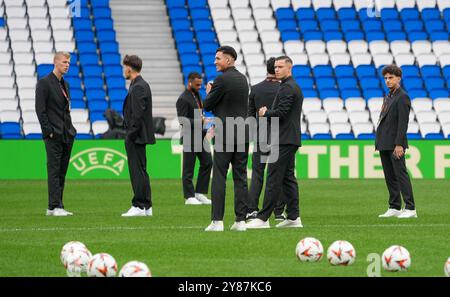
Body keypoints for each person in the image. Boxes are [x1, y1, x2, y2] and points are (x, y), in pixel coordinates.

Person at [246, 56, 304, 229]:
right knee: (287, 178)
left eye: (280, 66)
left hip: (284, 139)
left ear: (289, 68)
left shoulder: (287, 87)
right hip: (289, 137)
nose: (277, 69)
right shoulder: (290, 86)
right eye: (276, 67)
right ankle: (294, 217)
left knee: (273, 176)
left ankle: (263, 218)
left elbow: (282, 112)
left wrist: (265, 113)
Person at [203, 46, 250, 232]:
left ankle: (217, 221)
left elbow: (208, 105)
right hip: (243, 133)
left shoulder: (221, 79)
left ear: (228, 60)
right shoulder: (242, 79)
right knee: (240, 177)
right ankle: (240, 221)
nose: (215, 62)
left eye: (218, 58)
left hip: (225, 133)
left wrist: (209, 92)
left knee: (220, 177)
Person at [36, 51, 77, 216]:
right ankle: (54, 206)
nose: (67, 65)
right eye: (64, 62)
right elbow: (41, 110)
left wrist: (71, 130)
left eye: (68, 63)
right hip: (54, 135)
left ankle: (56, 206)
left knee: (62, 171)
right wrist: (49, 132)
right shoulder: (44, 83)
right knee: (53, 170)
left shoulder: (65, 84)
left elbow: (66, 110)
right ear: (55, 62)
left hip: (67, 134)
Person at [247, 57, 286, 221]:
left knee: (257, 173)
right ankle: (278, 212)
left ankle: (252, 209)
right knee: (280, 173)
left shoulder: (255, 89)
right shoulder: (284, 89)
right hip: (280, 133)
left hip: (261, 133)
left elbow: (250, 116)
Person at [376, 64, 417, 219]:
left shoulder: (402, 96)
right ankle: (394, 206)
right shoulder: (389, 96)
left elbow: (403, 123)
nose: (387, 80)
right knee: (389, 176)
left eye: (391, 77)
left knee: (401, 174)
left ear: (398, 78)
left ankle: (411, 208)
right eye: (385, 78)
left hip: (395, 143)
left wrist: (399, 144)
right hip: (384, 142)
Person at [121, 55, 156, 217]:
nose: (124, 70)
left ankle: (139, 205)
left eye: (124, 67)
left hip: (136, 136)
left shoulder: (138, 86)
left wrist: (130, 134)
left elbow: (137, 114)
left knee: (137, 171)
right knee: (141, 170)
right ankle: (147, 206)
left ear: (129, 68)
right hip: (139, 135)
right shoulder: (139, 85)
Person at [176, 72, 213, 205]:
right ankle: (189, 197)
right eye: (197, 84)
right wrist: (200, 120)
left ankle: (199, 193)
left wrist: (205, 121)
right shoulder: (182, 99)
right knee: (188, 168)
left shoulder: (197, 95)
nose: (199, 87)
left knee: (208, 162)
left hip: (200, 137)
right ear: (189, 82)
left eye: (200, 84)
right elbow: (182, 120)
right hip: (189, 137)